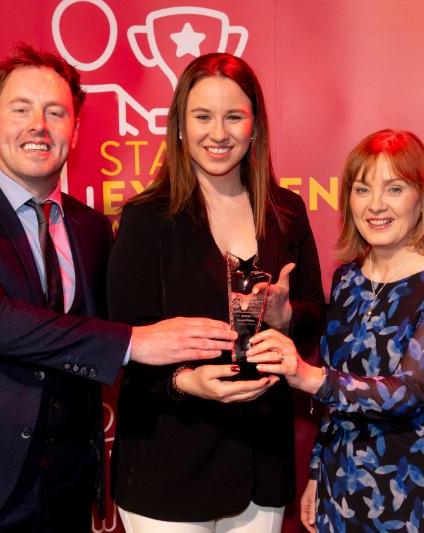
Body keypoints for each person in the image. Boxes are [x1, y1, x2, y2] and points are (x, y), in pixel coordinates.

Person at [0, 45, 237, 533]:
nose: (39, 126)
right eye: (21, 109)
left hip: (68, 486)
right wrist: (136, 342)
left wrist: (226, 336)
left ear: (76, 129)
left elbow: (123, 317)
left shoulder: (93, 228)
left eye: (56, 112)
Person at [106, 53, 325, 532]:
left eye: (234, 116)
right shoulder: (147, 219)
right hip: (168, 464)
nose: (218, 133)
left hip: (260, 464)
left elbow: (316, 313)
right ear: (180, 126)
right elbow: (121, 342)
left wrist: (287, 319)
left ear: (255, 125)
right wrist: (186, 381)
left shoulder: (285, 211)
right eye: (202, 116)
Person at [247, 129, 424, 532]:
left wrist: (306, 375)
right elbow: (339, 403)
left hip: (408, 500)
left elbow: (411, 392)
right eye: (361, 189)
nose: (375, 205)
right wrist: (318, 474)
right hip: (338, 492)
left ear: (421, 197)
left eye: (394, 189)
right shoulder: (347, 280)